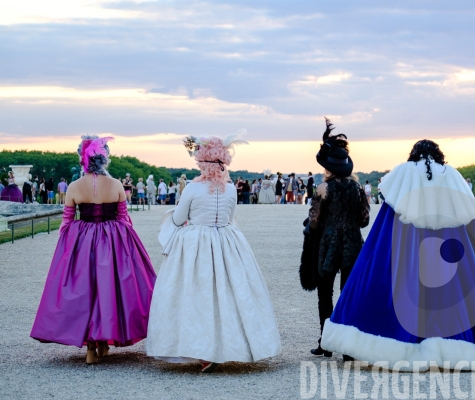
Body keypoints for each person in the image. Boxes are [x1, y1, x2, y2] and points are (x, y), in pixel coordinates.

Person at [320, 139, 475, 371]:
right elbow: (465, 223)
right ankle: (467, 350)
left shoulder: (404, 173)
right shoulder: (451, 175)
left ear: (414, 154)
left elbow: (387, 220)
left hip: (408, 247)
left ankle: (386, 345)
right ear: (438, 154)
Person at [147, 133, 281, 372]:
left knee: (195, 293)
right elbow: (229, 219)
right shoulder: (231, 189)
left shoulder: (192, 188)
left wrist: (187, 222)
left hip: (196, 242)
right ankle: (229, 345)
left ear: (201, 163)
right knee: (230, 294)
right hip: (227, 241)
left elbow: (179, 218)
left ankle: (202, 349)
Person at [30, 135, 156, 364]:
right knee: (111, 289)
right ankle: (105, 340)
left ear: (83, 160)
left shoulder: (75, 187)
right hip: (114, 240)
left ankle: (91, 348)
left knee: (87, 290)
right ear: (104, 157)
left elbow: (67, 221)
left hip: (83, 240)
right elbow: (124, 218)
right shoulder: (117, 185)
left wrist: (67, 251)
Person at [301, 117, 370, 360]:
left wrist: (311, 222)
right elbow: (364, 221)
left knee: (325, 294)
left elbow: (315, 220)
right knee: (348, 294)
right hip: (352, 244)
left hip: (328, 245)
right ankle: (348, 348)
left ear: (328, 167)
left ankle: (326, 343)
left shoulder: (323, 189)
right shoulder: (358, 189)